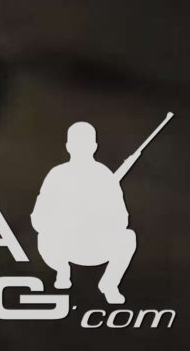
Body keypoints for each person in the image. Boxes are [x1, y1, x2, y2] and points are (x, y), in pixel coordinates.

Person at [33, 120, 140, 305]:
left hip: (96, 247)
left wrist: (98, 216)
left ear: (94, 147)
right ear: (68, 147)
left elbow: (123, 220)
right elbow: (38, 218)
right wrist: (64, 220)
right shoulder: (57, 175)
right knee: (43, 237)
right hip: (63, 247)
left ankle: (109, 284)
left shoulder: (105, 176)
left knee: (128, 238)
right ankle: (62, 270)